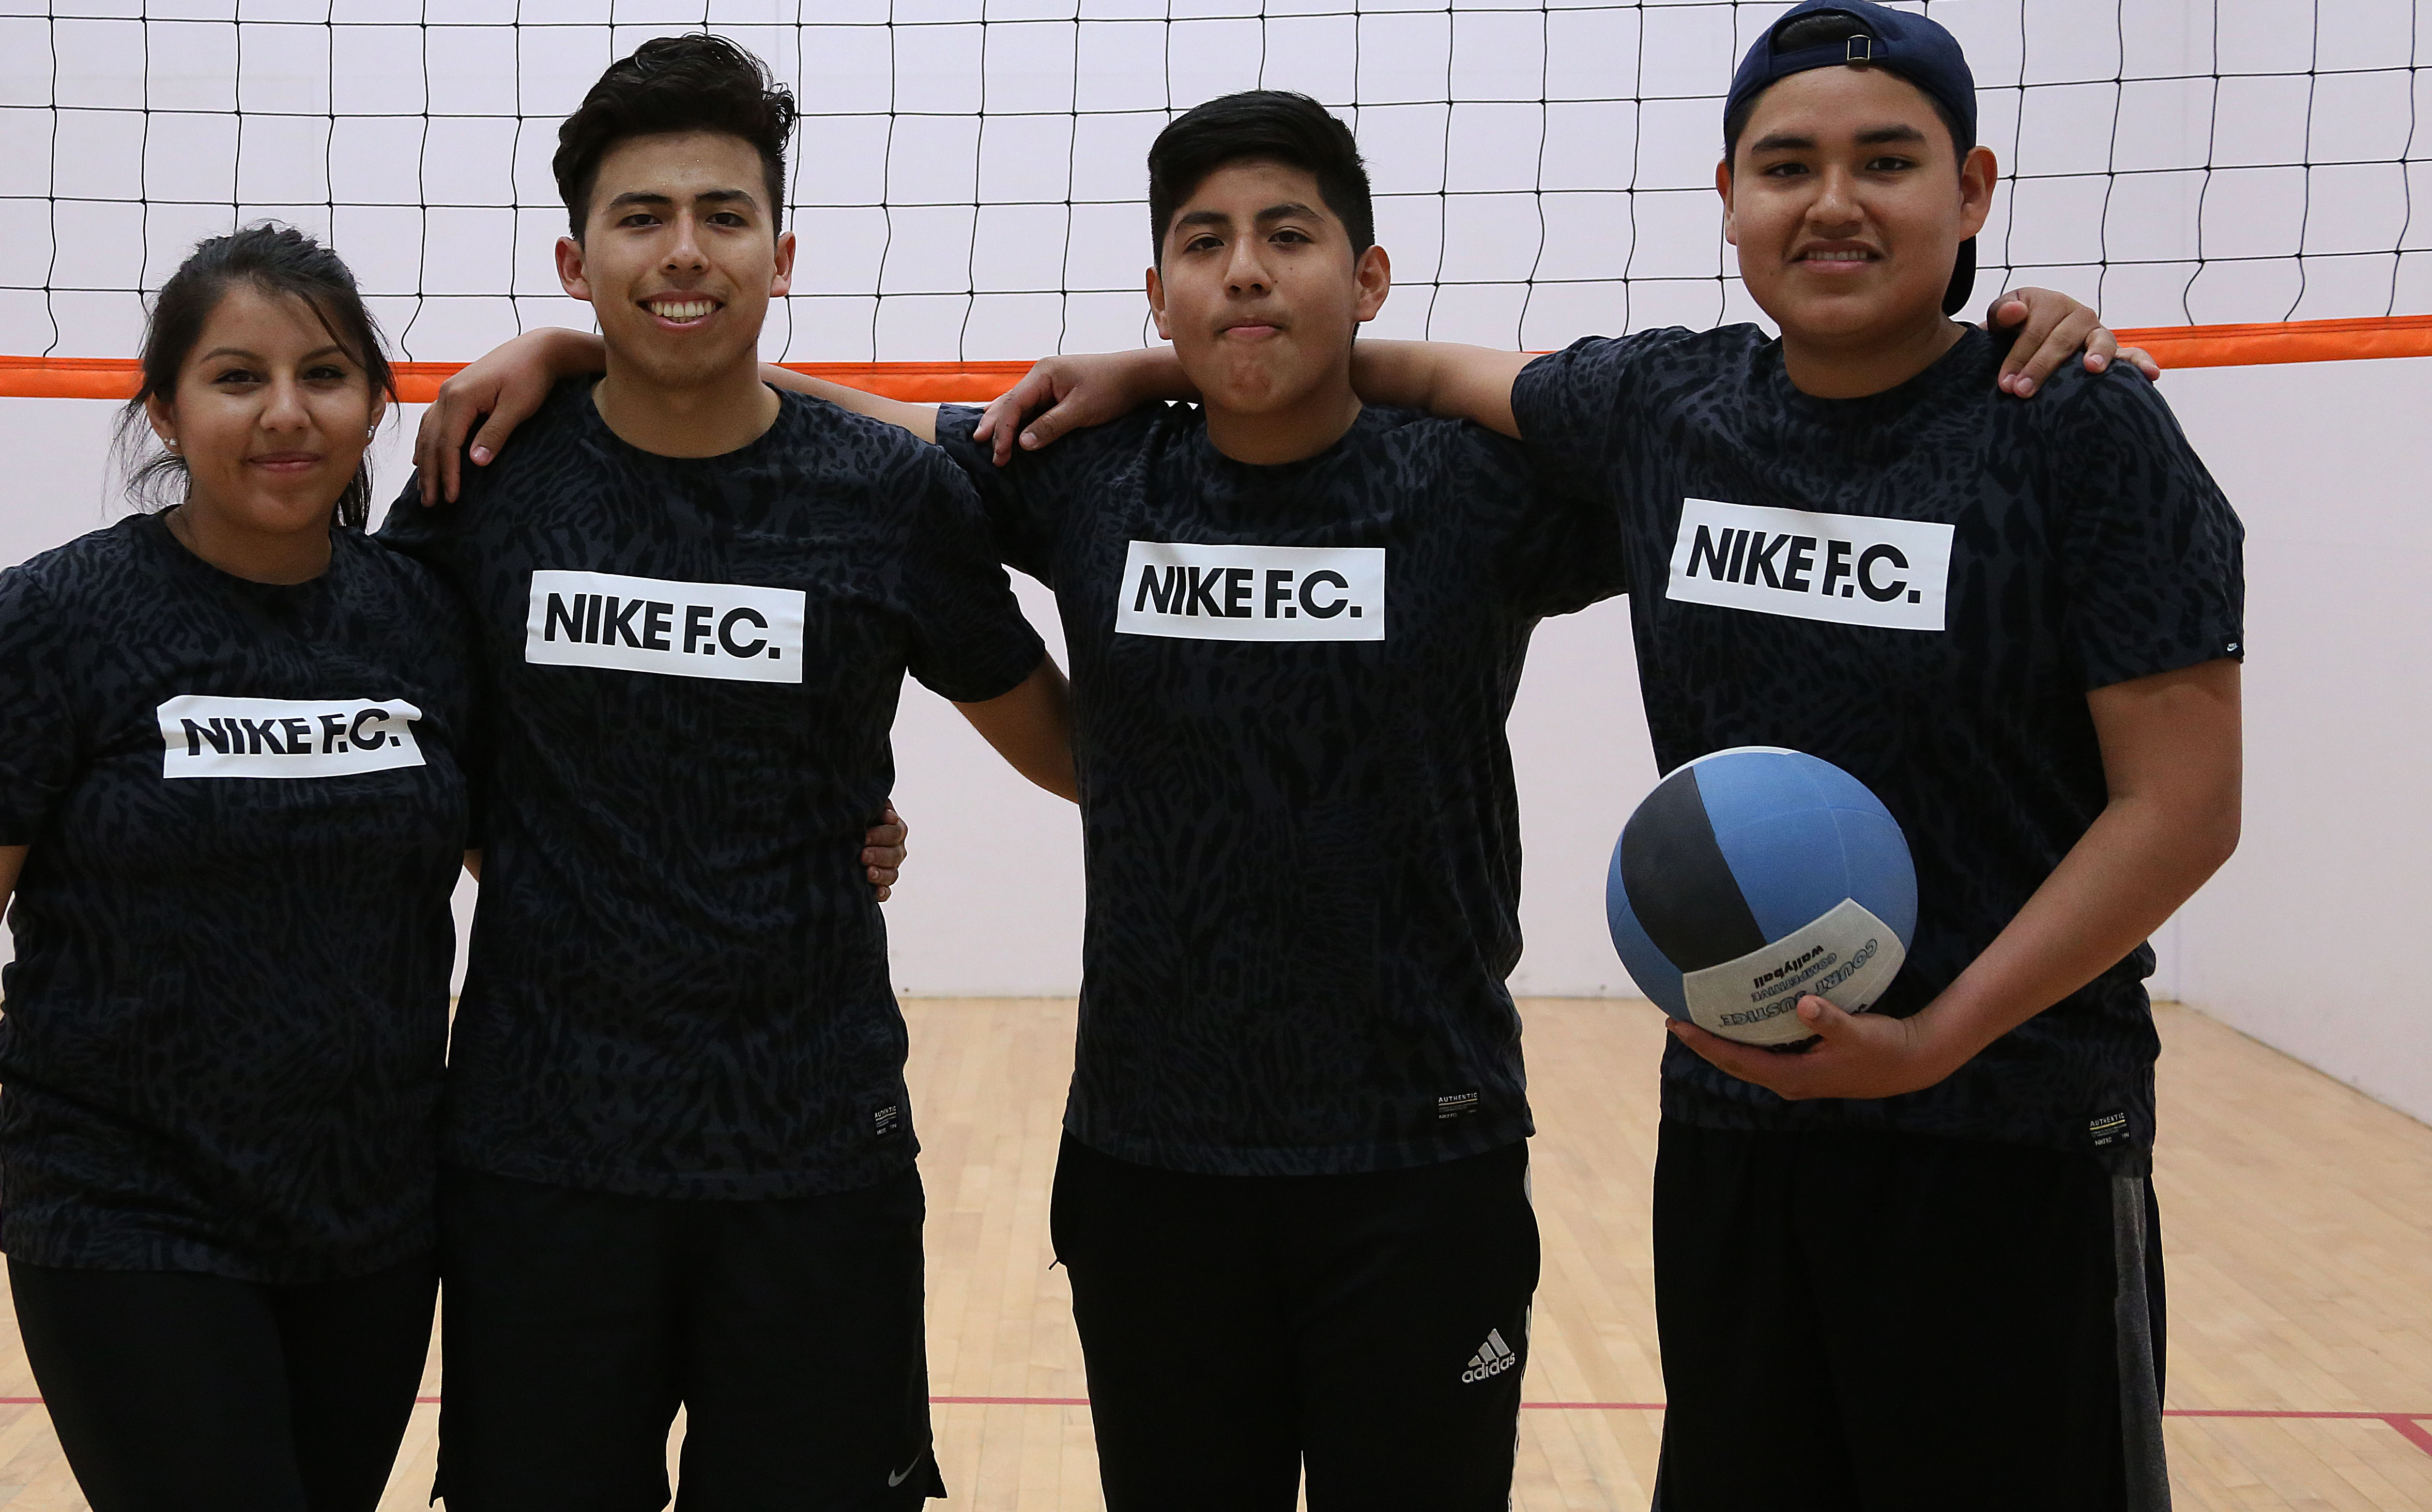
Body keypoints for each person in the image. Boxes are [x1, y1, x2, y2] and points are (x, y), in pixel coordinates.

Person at [416, 73, 2130, 1506]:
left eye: (1290, 239)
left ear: (1368, 276)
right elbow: (822, 444)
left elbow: (1783, 446)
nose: (1246, 272)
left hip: (1426, 1156)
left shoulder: (1480, 490)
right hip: (1150, 1158)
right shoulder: (1090, 481)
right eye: (1205, 248)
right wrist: (580, 356)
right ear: (1156, 291)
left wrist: (1985, 349)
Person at [991, 0, 2242, 1508]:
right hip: (1736, 1113)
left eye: (1886, 162)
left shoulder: (2077, 427)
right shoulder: (1670, 413)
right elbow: (1407, 373)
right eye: (1787, 166)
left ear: (1970, 192)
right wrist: (1167, 369)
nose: (1833, 203)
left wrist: (1937, 1038)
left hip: (2011, 1127)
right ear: (1730, 200)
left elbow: (2183, 810)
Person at [378, 34, 1076, 1511]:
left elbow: (1074, 751)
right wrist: (40, 618)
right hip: (541, 1154)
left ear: (782, 254)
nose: (684, 251)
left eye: (724, 215)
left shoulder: (890, 496)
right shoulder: (482, 485)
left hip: (812, 1155)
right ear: (575, 264)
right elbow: (368, 716)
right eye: (641, 218)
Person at [0, 226, 482, 1511]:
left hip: (374, 1220)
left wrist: (836, 829)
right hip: (126, 1215)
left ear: (378, 402)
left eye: (324, 374)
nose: (285, 413)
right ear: (164, 408)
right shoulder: (53, 623)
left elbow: (534, 839)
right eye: (236, 377)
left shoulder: (428, 620)